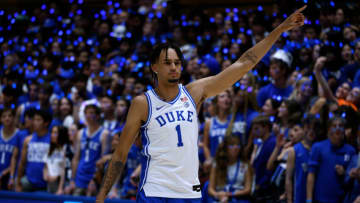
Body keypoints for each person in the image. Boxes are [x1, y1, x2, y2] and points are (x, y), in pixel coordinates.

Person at [96, 6, 306, 202]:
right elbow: (120, 154)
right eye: (167, 63)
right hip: (155, 191)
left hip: (188, 191)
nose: (173, 67)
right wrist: (101, 197)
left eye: (177, 62)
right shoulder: (142, 103)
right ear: (154, 68)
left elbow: (244, 63)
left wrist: (279, 29)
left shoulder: (194, 92)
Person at [306, 116, 356, 203]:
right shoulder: (318, 147)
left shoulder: (350, 151)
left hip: (340, 199)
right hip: (319, 199)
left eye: (340, 126)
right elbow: (311, 174)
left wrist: (344, 173)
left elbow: (351, 178)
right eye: (334, 126)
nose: (337, 128)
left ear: (344, 130)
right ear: (329, 129)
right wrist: (309, 199)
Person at [207, 135, 253, 203]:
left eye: (238, 145)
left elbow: (248, 189)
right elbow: (210, 189)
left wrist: (231, 194)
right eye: (231, 145)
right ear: (225, 148)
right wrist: (217, 195)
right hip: (220, 197)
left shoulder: (245, 165)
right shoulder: (216, 164)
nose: (235, 148)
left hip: (238, 198)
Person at [15, 109, 52, 192]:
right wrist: (18, 183)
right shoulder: (28, 140)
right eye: (34, 119)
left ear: (46, 123)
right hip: (28, 181)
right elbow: (22, 163)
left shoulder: (52, 140)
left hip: (46, 182)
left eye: (38, 120)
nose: (34, 122)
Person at [43, 125, 69, 194]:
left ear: (61, 134)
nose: (52, 135)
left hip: (60, 184)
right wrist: (46, 175)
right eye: (52, 132)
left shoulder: (65, 149)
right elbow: (45, 166)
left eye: (55, 133)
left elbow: (64, 170)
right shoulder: (49, 149)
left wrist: (60, 188)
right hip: (49, 184)